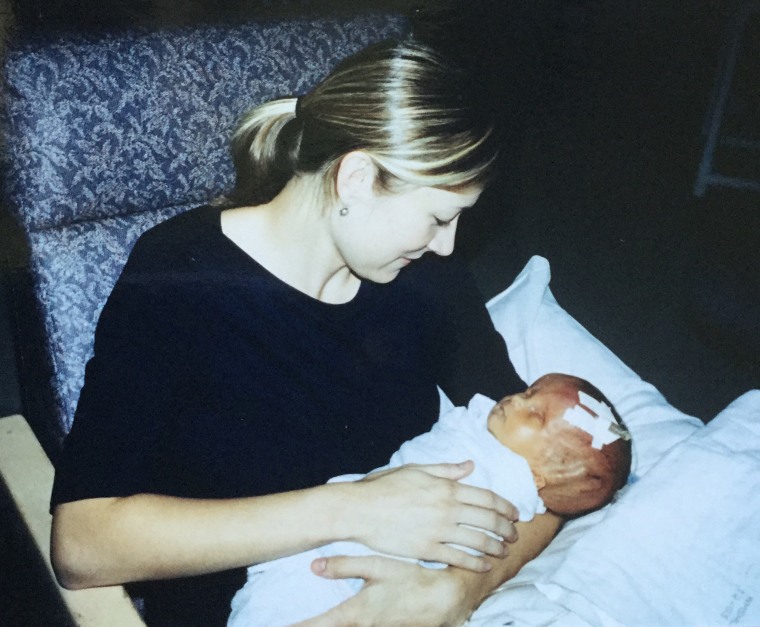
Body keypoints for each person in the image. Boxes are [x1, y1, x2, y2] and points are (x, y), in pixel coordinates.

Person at [49, 37, 563, 627]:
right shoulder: (180, 276)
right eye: (439, 217)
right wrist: (351, 509)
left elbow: (553, 465)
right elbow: (82, 544)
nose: (448, 244)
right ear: (357, 179)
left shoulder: (427, 279)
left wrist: (459, 592)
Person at [228, 372, 632, 626]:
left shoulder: (509, 485)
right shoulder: (479, 424)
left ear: (545, 474)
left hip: (362, 577)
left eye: (537, 417)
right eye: (529, 391)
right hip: (322, 536)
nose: (516, 400)